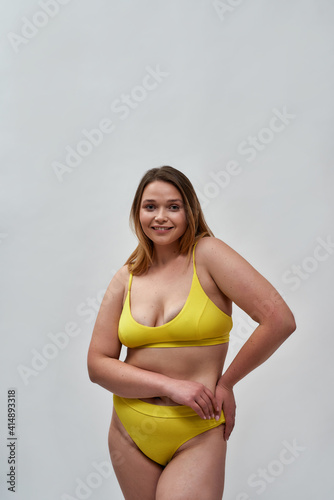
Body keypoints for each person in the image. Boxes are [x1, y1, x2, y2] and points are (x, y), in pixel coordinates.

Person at [87, 165, 296, 500]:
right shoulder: (126, 276)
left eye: (173, 206)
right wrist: (171, 386)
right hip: (129, 430)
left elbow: (279, 319)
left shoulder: (209, 254)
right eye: (150, 206)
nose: (160, 217)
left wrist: (226, 382)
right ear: (137, 212)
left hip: (197, 431)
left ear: (190, 211)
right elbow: (97, 366)